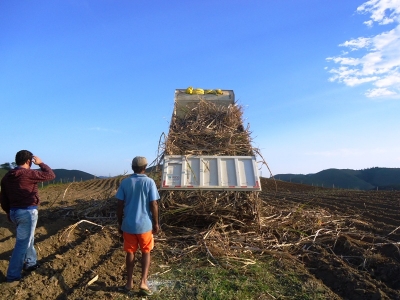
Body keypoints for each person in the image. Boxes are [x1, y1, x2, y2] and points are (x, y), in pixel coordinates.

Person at [0, 150, 56, 283]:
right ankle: (13, 276)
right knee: (22, 244)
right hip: (27, 212)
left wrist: (8, 212)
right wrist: (41, 163)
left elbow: (3, 198)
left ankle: (30, 262)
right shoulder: (29, 174)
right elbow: (50, 175)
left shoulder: (7, 177)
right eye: (31, 161)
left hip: (14, 212)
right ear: (28, 161)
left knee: (28, 239)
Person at [116, 156, 160, 296]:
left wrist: (119, 223)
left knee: (130, 252)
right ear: (145, 167)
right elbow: (154, 204)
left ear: (132, 167)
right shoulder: (149, 182)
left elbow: (119, 205)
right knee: (146, 251)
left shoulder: (125, 183)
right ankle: (143, 282)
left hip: (128, 225)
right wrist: (156, 223)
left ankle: (129, 283)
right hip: (145, 226)